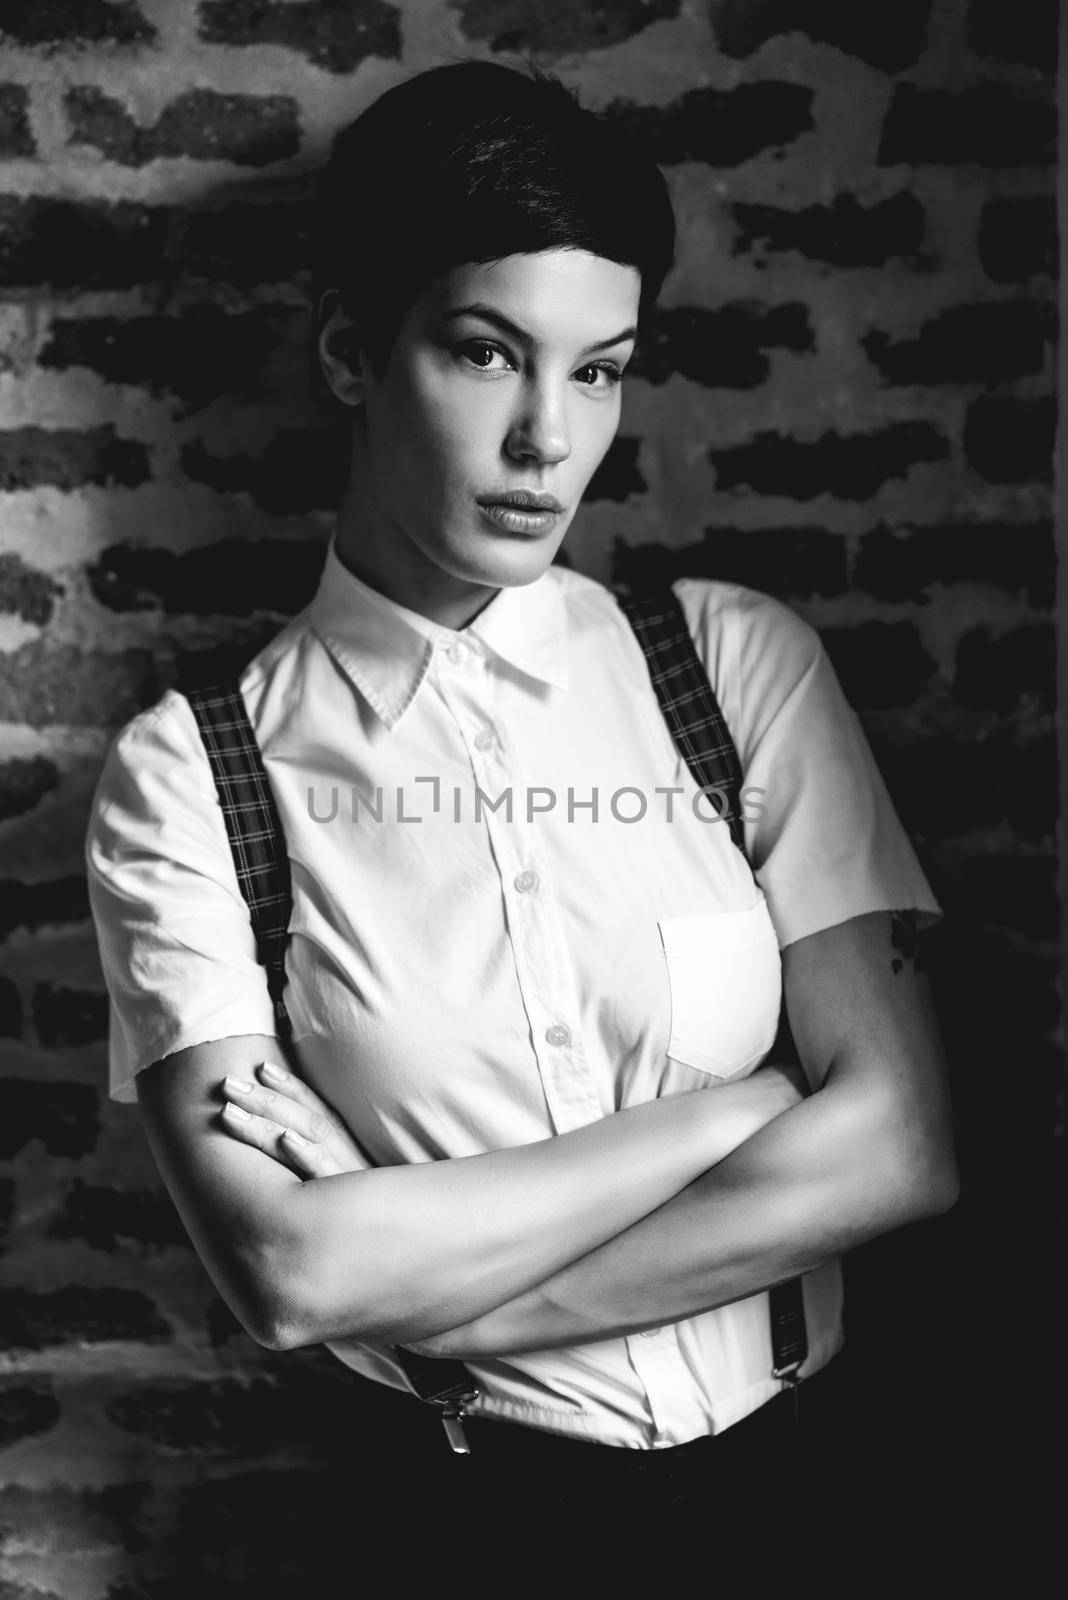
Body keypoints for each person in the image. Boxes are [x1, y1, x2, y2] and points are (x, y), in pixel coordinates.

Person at [86, 60, 959, 1593]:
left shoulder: (729, 665)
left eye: (602, 369)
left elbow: (900, 1149)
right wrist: (736, 1109)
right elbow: (291, 1275)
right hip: (467, 1537)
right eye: (488, 354)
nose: (549, 438)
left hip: (831, 1497)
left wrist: (431, 1302)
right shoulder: (193, 777)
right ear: (356, 350)